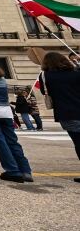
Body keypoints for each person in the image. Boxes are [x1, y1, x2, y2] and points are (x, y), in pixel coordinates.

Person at [38, 52, 80, 183]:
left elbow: (44, 92)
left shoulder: (45, 76)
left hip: (67, 113)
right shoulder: (77, 72)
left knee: (78, 142)